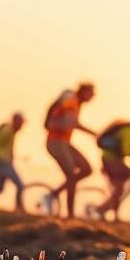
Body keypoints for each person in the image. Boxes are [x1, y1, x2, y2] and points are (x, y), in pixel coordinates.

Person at [44, 82, 96, 218]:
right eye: (91, 93)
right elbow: (68, 120)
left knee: (87, 169)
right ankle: (70, 215)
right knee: (71, 176)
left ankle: (54, 194)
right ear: (84, 92)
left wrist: (93, 133)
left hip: (65, 142)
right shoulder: (71, 100)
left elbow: (72, 122)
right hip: (56, 142)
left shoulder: (76, 103)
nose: (93, 96)